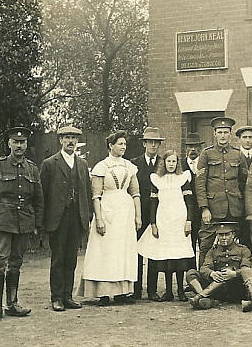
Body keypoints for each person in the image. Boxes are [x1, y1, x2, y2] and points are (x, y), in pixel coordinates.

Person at [0, 127, 44, 321]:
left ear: (26, 144)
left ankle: (12, 304)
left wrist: (37, 224)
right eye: (15, 142)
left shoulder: (32, 168)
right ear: (9, 143)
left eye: (22, 142)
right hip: (2, 221)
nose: (19, 145)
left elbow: (39, 199)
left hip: (24, 221)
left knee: (16, 262)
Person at [78, 131, 142, 306]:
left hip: (125, 212)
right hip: (107, 210)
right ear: (110, 146)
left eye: (124, 144)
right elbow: (96, 195)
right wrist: (98, 218)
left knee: (122, 250)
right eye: (120, 144)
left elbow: (135, 193)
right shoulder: (101, 167)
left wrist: (138, 215)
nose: (123, 147)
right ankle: (104, 293)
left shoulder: (129, 166)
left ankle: (122, 292)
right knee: (106, 251)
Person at [40, 126, 92, 312]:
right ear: (60, 140)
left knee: (72, 258)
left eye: (74, 138)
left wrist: (87, 216)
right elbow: (43, 194)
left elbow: (87, 191)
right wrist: (43, 221)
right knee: (58, 258)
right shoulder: (50, 163)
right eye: (67, 138)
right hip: (57, 218)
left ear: (77, 141)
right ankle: (57, 298)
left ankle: (68, 297)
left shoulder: (83, 164)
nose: (70, 141)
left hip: (76, 217)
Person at [137, 150, 195, 302]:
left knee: (180, 256)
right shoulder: (157, 179)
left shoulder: (183, 178)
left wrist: (189, 220)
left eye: (174, 161)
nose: (171, 164)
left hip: (179, 222)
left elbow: (189, 202)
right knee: (168, 257)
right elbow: (153, 203)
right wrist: (153, 224)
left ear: (177, 163)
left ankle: (181, 290)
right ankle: (169, 291)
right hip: (164, 221)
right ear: (164, 163)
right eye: (168, 161)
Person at [195, 117, 248, 267]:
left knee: (236, 245)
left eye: (226, 132)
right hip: (212, 209)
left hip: (234, 209)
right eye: (220, 132)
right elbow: (200, 183)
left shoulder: (238, 155)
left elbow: (245, 182)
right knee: (206, 244)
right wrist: (204, 208)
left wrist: (243, 205)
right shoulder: (206, 154)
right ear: (214, 134)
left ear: (230, 134)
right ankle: (204, 279)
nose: (223, 135)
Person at [186, 222, 252, 312]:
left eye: (227, 234)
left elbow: (246, 268)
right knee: (191, 273)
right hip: (217, 288)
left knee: (242, 271)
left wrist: (234, 273)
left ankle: (200, 297)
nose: (224, 238)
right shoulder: (212, 251)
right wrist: (211, 273)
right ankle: (205, 297)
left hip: (235, 288)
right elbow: (204, 268)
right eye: (221, 235)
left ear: (233, 234)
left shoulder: (243, 250)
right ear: (217, 236)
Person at [131, 127, 164, 299]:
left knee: (154, 251)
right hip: (138, 213)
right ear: (144, 143)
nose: (153, 145)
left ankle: (152, 290)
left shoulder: (163, 163)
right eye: (150, 142)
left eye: (156, 142)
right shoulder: (134, 163)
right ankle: (136, 290)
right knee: (136, 251)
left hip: (158, 213)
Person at [182, 132, 205, 266]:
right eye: (189, 146)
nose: (192, 150)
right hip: (186, 212)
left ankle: (203, 276)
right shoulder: (179, 166)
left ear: (200, 149)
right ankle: (191, 276)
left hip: (202, 210)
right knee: (188, 245)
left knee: (204, 244)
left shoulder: (204, 165)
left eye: (195, 147)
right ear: (185, 148)